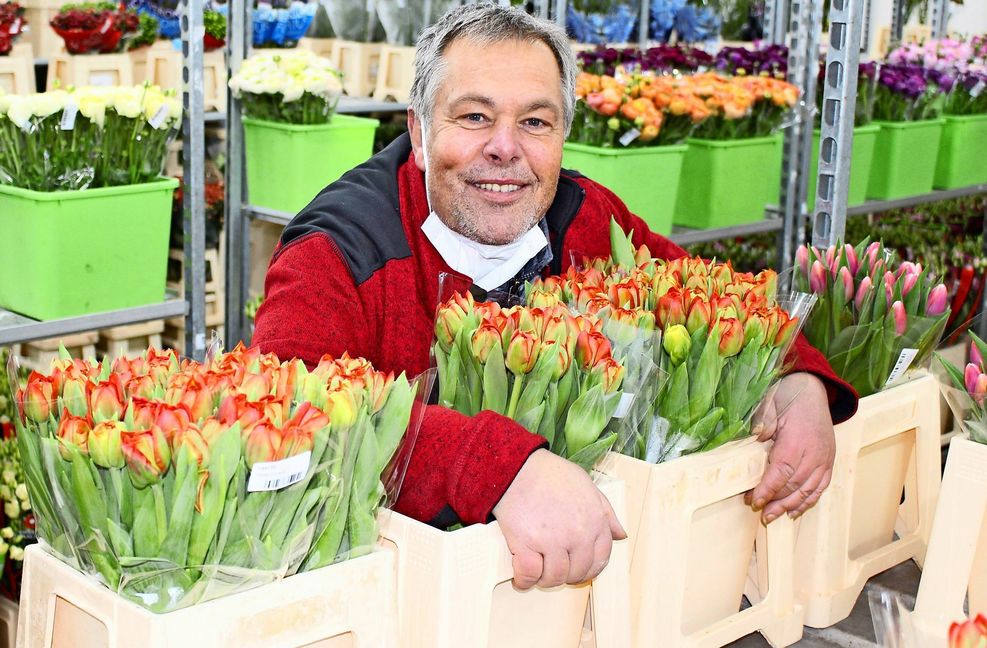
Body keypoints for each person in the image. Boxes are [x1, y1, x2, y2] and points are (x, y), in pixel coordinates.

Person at [252, 3, 858, 591]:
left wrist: (798, 377)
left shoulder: (583, 215)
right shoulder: (338, 253)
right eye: (473, 117)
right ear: (416, 130)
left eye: (535, 122)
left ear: (564, 134)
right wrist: (500, 468)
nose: (505, 148)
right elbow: (295, 420)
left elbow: (705, 291)